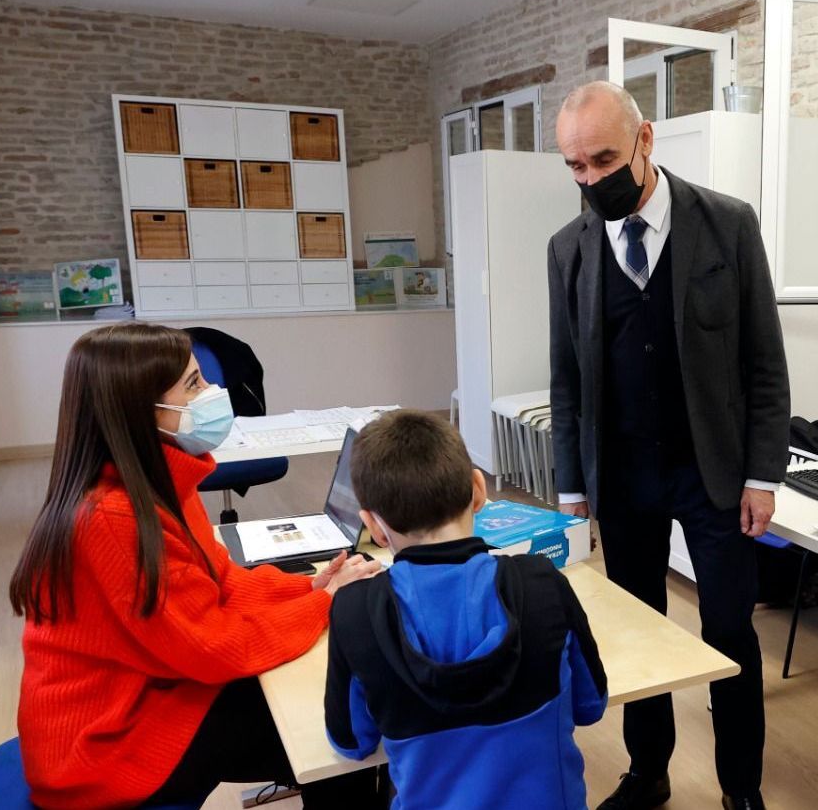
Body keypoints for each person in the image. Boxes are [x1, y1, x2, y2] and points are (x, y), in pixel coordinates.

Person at [9, 322, 383, 808]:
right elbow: (211, 647)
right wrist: (322, 607)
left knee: (332, 698)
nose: (214, 392)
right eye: (194, 384)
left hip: (150, 691)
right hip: (106, 743)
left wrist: (311, 589)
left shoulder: (156, 482)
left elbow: (219, 582)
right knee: (334, 727)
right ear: (140, 411)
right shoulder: (113, 520)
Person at [547, 81, 789, 810]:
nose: (592, 178)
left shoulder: (728, 225)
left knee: (728, 635)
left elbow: (764, 364)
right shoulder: (569, 249)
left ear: (645, 140)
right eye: (576, 166)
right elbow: (566, 377)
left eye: (604, 159)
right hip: (622, 477)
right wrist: (570, 488)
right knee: (637, 631)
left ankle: (740, 788)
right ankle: (648, 771)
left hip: (713, 474)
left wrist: (762, 474)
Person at [324, 409, 608, 808]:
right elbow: (590, 703)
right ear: (478, 490)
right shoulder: (541, 583)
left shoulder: (356, 611)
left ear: (372, 524)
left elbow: (351, 740)